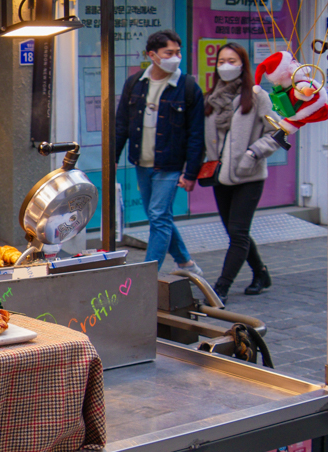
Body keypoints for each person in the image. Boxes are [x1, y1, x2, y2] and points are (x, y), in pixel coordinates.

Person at [116, 29, 205, 276]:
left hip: (170, 164)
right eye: (169, 53)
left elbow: (196, 134)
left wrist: (191, 172)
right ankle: (186, 263)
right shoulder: (135, 83)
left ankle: (148, 274)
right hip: (141, 163)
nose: (175, 57)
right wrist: (111, 157)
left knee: (158, 216)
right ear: (152, 55)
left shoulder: (187, 87)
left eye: (178, 52)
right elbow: (121, 124)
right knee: (159, 217)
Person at [203, 43, 279, 303]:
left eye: (232, 60)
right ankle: (261, 273)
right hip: (220, 175)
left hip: (249, 175)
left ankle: (220, 288)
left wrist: (252, 154)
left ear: (243, 64)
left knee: (237, 232)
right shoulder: (211, 97)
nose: (226, 65)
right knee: (237, 232)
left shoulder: (257, 96)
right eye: (222, 60)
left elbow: (277, 132)